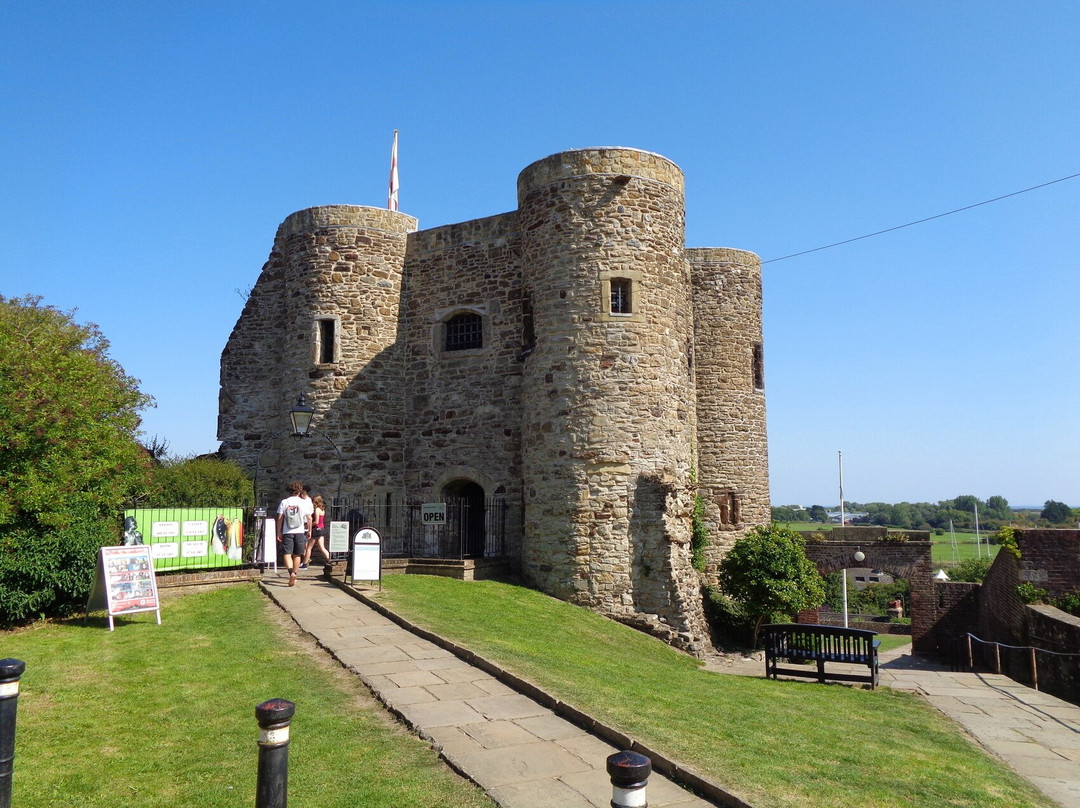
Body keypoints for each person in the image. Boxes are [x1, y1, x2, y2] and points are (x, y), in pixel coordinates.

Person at [276, 481, 313, 586]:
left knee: (287, 554)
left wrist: (279, 531)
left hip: (287, 531)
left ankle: (291, 573)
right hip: (300, 531)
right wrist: (309, 530)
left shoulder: (285, 502)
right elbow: (309, 518)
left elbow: (279, 518)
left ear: (289, 491)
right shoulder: (303, 502)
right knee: (297, 554)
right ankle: (295, 575)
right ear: (299, 491)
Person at [303, 495, 330, 567]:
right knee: (322, 547)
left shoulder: (317, 510)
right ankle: (329, 560)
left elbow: (316, 522)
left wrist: (308, 525)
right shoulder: (322, 510)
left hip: (316, 530)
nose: (312, 503)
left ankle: (305, 563)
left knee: (309, 547)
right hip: (321, 529)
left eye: (313, 502)